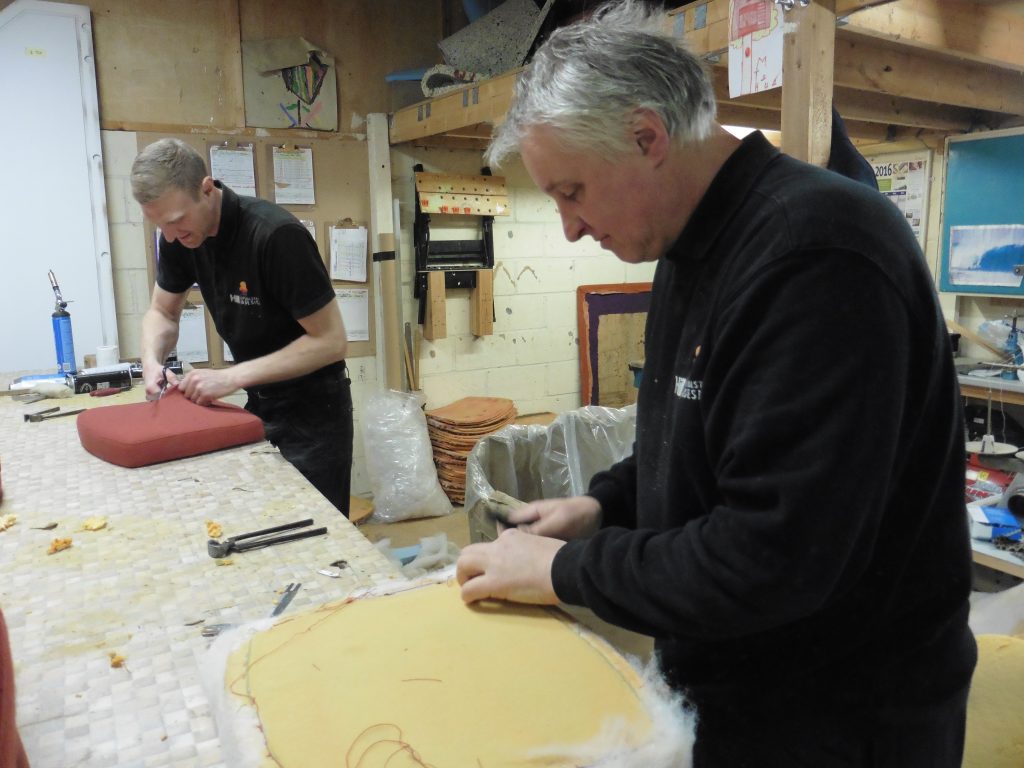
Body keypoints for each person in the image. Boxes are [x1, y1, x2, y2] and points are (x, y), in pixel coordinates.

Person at [455, 2, 977, 765]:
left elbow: (772, 557)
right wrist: (604, 505)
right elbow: (693, 444)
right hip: (742, 688)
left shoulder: (818, 255)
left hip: (846, 716)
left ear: (646, 137)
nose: (568, 226)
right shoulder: (686, 247)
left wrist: (566, 571)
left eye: (572, 192)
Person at [131, 139, 353, 516]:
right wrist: (151, 361)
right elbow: (162, 313)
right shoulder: (180, 237)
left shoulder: (275, 236)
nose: (170, 237)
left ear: (206, 189)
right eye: (160, 227)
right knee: (264, 522)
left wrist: (231, 377)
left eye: (175, 222)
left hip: (315, 413)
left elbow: (331, 341)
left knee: (318, 534)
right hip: (259, 405)